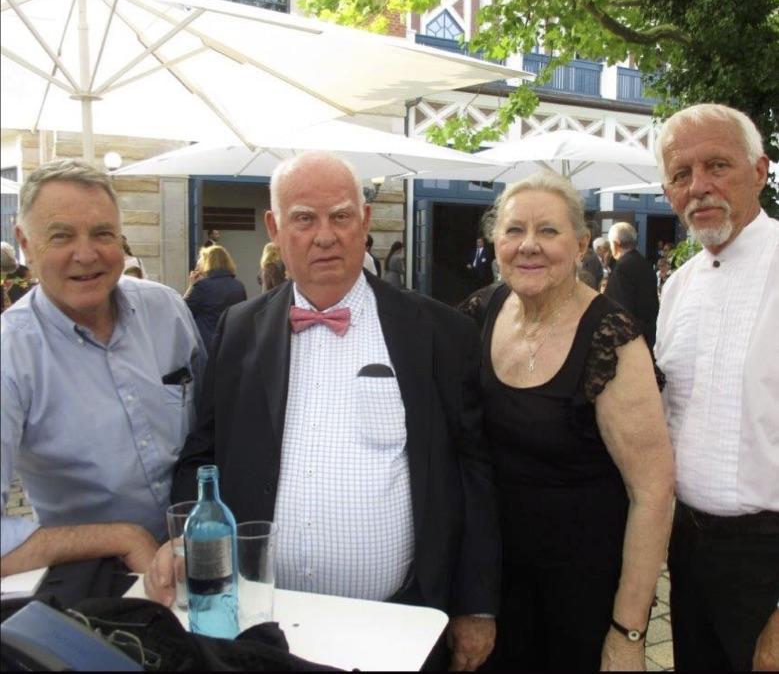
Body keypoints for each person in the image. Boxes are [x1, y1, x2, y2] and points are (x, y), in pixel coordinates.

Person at [145, 152, 500, 671]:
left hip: (398, 622)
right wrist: (181, 544)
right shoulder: (239, 330)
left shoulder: (439, 333)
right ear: (274, 227)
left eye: (340, 216)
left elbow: (474, 473)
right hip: (263, 623)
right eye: (304, 218)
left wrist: (476, 605)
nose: (325, 235)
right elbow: (203, 457)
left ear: (364, 222)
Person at [460, 170, 674, 671]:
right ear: (496, 242)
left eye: (548, 231)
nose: (528, 245)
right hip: (492, 590)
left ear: (580, 245)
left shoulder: (612, 337)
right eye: (514, 231)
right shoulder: (478, 313)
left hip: (581, 597)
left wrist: (628, 634)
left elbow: (654, 491)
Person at [0, 159, 206, 577]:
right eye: (61, 236)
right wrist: (122, 538)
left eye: (103, 234)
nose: (86, 254)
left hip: (202, 558)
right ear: (24, 242)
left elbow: (212, 432)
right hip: (97, 583)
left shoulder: (165, 309)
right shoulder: (11, 353)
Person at [654, 103, 779, 672]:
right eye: (681, 174)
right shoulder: (677, 288)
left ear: (760, 171)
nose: (699, 187)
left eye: (717, 166)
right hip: (691, 552)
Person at [604, 222, 659, 348]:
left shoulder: (623, 268)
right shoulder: (644, 263)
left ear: (616, 243)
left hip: (630, 339)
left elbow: (621, 309)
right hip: (647, 332)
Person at [184, 244, 247, 350]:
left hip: (207, 345)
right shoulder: (239, 286)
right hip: (232, 344)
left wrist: (191, 286)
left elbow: (184, 311)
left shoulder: (202, 287)